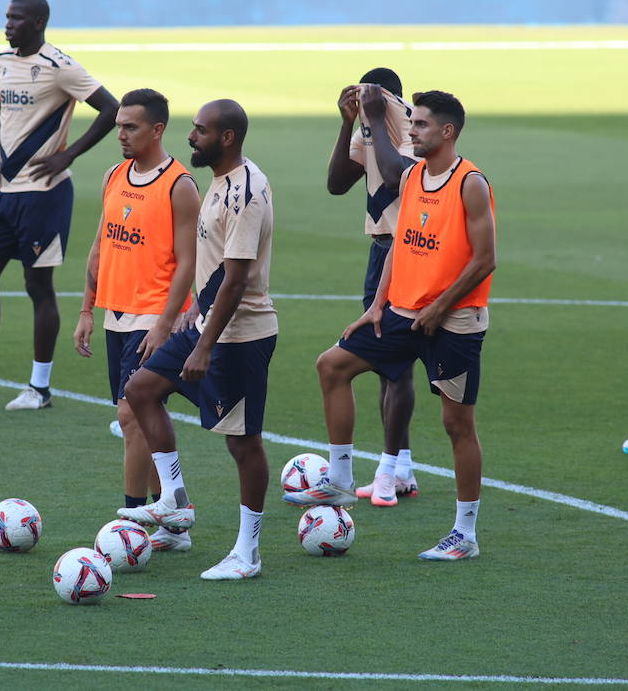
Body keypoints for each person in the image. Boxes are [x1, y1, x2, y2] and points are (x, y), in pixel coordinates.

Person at [285, 90, 496, 561]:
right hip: (401, 313)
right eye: (412, 122)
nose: (412, 131)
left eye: (420, 125)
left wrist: (441, 308)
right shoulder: (414, 175)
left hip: (455, 322)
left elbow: (485, 260)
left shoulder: (471, 183)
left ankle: (465, 534)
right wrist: (378, 304)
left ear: (447, 132)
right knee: (332, 365)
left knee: (457, 425)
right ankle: (339, 481)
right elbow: (401, 244)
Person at [0, 0, 118, 411]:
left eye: (16, 18)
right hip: (5, 194)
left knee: (38, 286)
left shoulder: (60, 67)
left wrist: (69, 154)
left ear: (39, 22)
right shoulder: (2, 60)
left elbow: (110, 108)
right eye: (7, 17)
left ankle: (40, 388)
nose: (8, 24)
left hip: (44, 195)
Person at [117, 100, 278, 581]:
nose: (191, 137)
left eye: (200, 131)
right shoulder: (219, 182)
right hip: (205, 323)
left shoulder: (247, 192)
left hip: (240, 336)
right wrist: (193, 314)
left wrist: (205, 344)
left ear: (227, 138)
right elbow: (214, 265)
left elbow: (236, 279)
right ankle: (174, 500)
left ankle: (247, 553)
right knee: (141, 390)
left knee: (243, 445)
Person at [73, 88, 200, 552]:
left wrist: (167, 322)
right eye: (118, 125)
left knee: (131, 414)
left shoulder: (180, 186)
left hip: (154, 314)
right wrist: (88, 308)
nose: (120, 134)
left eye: (130, 127)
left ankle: (130, 526)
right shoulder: (114, 175)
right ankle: (171, 522)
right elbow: (102, 244)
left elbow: (188, 262)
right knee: (139, 420)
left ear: (157, 129)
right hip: (116, 314)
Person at [325, 68, 419, 506]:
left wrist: (379, 119)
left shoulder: (412, 127)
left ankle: (389, 470)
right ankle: (400, 468)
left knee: (396, 362)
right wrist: (348, 124)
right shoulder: (372, 125)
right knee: (389, 363)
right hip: (380, 249)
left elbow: (397, 173)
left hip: (409, 253)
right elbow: (337, 184)